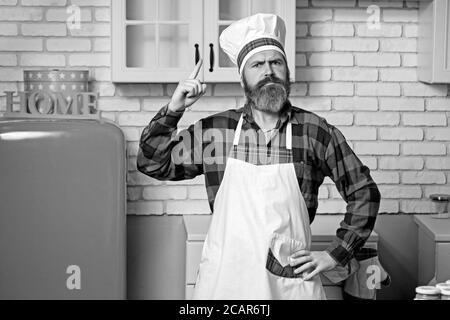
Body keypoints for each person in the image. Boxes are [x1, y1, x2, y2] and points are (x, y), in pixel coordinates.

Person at [137, 13, 381, 300]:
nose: (268, 72)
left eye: (276, 62)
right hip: (224, 281)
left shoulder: (315, 132)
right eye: (257, 64)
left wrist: (336, 254)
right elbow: (153, 162)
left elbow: (363, 191)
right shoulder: (217, 131)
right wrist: (175, 108)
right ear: (243, 79)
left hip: (290, 285)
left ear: (286, 71)